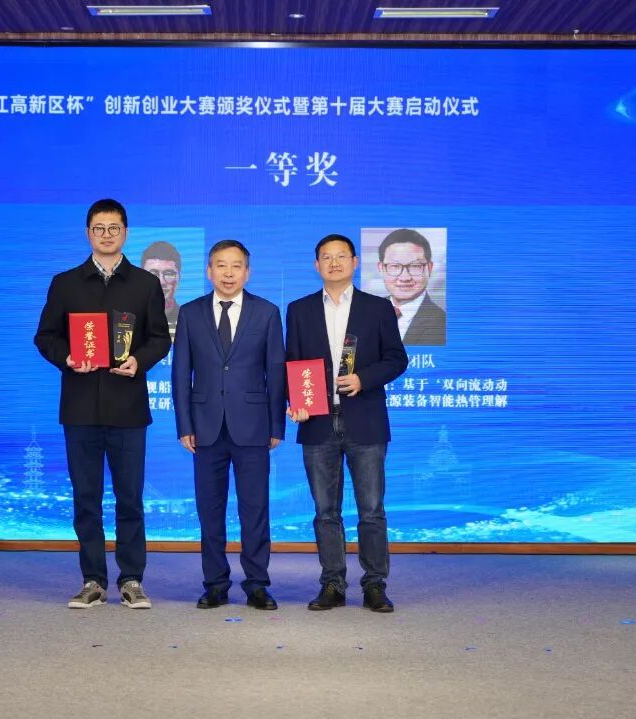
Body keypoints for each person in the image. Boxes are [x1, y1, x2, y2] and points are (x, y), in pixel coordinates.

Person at [34, 198, 171, 610]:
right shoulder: (66, 283)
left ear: (125, 232)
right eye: (99, 228)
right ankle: (92, 579)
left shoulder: (145, 284)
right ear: (88, 233)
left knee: (130, 499)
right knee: (86, 498)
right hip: (80, 409)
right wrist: (67, 357)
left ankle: (132, 580)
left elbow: (160, 338)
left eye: (114, 228)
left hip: (128, 408)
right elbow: (45, 336)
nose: (106, 234)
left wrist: (139, 361)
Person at [285, 234, 408, 613]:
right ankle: (332, 584)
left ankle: (375, 585)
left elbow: (396, 359)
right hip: (317, 423)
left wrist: (363, 379)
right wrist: (296, 402)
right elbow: (293, 363)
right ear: (316, 265)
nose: (334, 263)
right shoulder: (299, 309)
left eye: (341, 256)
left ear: (355, 262)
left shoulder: (377, 308)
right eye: (327, 257)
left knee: (371, 510)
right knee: (325, 511)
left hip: (365, 420)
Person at [172, 240, 286, 611]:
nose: (228, 273)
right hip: (205, 427)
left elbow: (275, 372)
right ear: (209, 271)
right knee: (210, 510)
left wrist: (276, 425)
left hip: (253, 426)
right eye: (221, 265)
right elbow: (180, 374)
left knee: (255, 509)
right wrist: (184, 424)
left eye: (236, 266)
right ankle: (215, 584)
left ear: (247, 272)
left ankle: (257, 584)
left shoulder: (266, 312)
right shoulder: (190, 313)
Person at [377, 228, 446, 345]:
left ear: (429, 268)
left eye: (415, 266)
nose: (405, 277)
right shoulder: (368, 313)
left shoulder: (442, 325)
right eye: (394, 266)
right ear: (381, 268)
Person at [141, 241, 182, 341]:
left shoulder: (190, 320)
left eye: (168, 274)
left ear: (179, 278)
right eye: (153, 274)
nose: (161, 282)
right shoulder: (127, 319)